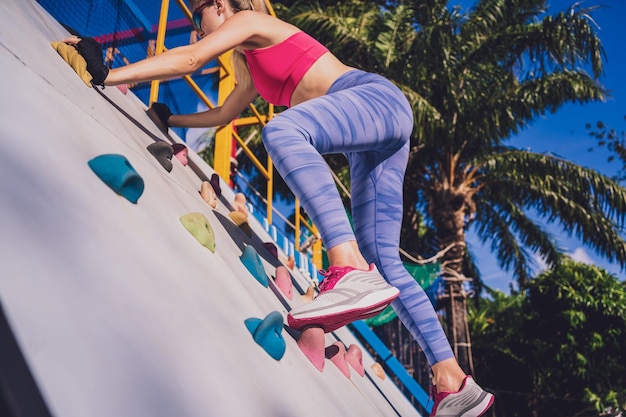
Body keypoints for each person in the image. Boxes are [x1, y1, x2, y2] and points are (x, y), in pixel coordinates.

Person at [62, 0, 493, 415]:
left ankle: (347, 268)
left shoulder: (250, 20)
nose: (197, 27)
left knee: (283, 132)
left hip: (375, 100)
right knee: (383, 260)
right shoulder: (246, 62)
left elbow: (191, 57)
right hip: (377, 133)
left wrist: (108, 72)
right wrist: (171, 120)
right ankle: (453, 381)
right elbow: (222, 115)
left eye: (198, 16)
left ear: (219, 5)